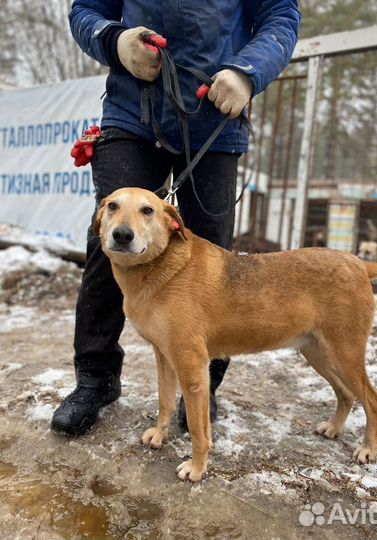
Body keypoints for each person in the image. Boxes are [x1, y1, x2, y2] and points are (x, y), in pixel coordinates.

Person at [51, 0, 301, 436]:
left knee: (212, 258)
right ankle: (96, 377)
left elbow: (280, 15)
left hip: (216, 112)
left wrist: (248, 71)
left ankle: (202, 381)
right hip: (133, 112)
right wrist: (114, 40)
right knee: (110, 242)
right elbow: (86, 9)